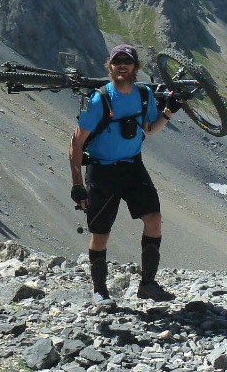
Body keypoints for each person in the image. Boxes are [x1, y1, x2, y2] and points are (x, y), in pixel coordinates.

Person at [68, 44, 182, 305]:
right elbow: (75, 143)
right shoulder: (99, 99)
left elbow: (150, 129)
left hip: (132, 166)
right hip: (102, 171)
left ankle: (148, 285)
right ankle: (99, 291)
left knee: (154, 218)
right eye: (117, 61)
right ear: (110, 66)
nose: (122, 65)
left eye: (127, 61)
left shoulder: (143, 94)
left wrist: (168, 111)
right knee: (101, 234)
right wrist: (77, 185)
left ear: (135, 67)